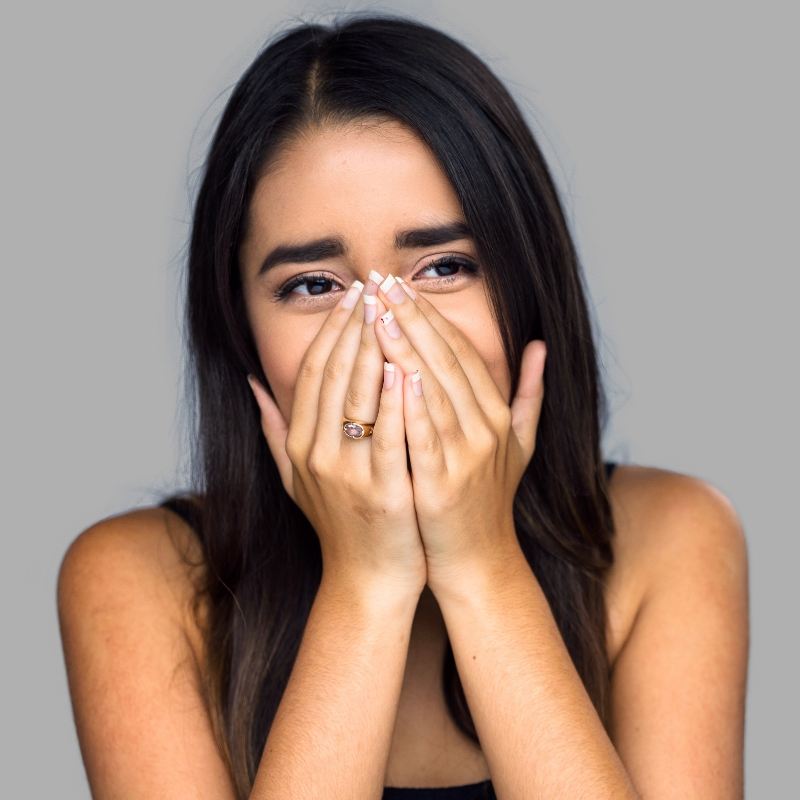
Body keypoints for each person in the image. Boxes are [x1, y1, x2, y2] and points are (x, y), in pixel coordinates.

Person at [56, 13, 749, 800]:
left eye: (445, 267)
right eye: (314, 285)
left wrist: (482, 564)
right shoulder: (136, 580)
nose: (386, 334)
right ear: (242, 331)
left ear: (527, 286)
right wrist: (365, 581)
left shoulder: (672, 537)